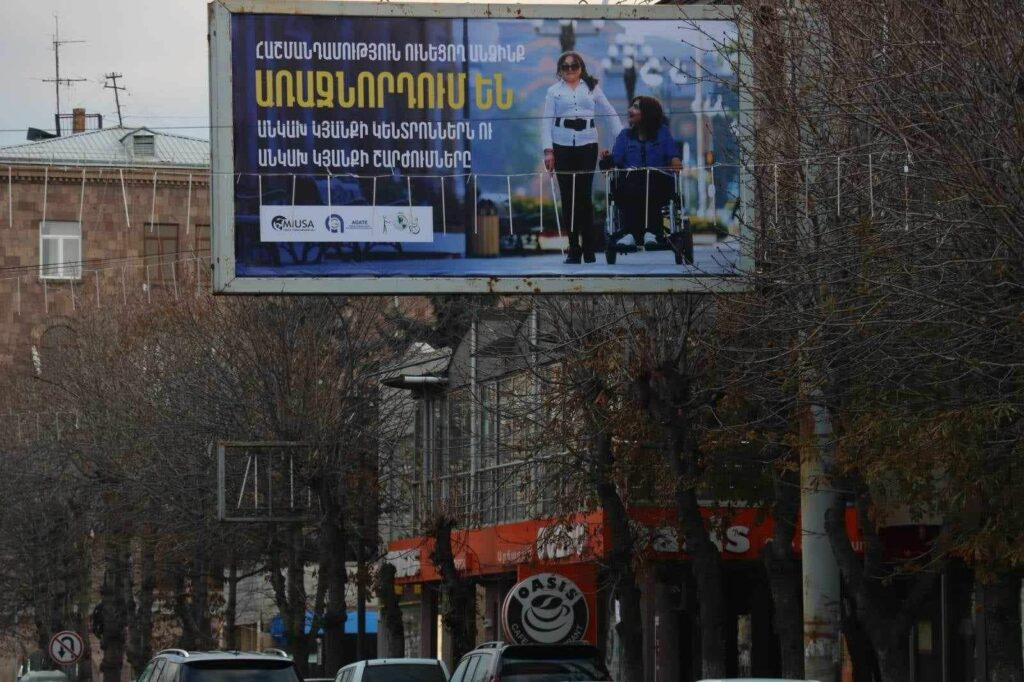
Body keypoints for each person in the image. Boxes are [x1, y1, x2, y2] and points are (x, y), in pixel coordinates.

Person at [542, 51, 622, 264]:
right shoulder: (553, 92)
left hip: (587, 143)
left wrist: (622, 139)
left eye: (574, 65)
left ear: (581, 67)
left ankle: (589, 247)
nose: (570, 70)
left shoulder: (592, 88)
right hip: (562, 144)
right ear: (559, 70)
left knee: (584, 196)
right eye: (565, 66)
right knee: (568, 197)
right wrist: (548, 151)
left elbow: (609, 111)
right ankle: (573, 247)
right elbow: (546, 121)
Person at [603, 96, 682, 248]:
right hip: (630, 183)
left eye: (635, 107)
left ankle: (652, 232)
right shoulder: (624, 136)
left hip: (658, 182)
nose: (629, 110)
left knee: (650, 186)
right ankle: (630, 234)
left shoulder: (663, 133)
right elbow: (616, 160)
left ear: (647, 113)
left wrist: (675, 160)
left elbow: (672, 154)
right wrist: (607, 159)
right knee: (632, 188)